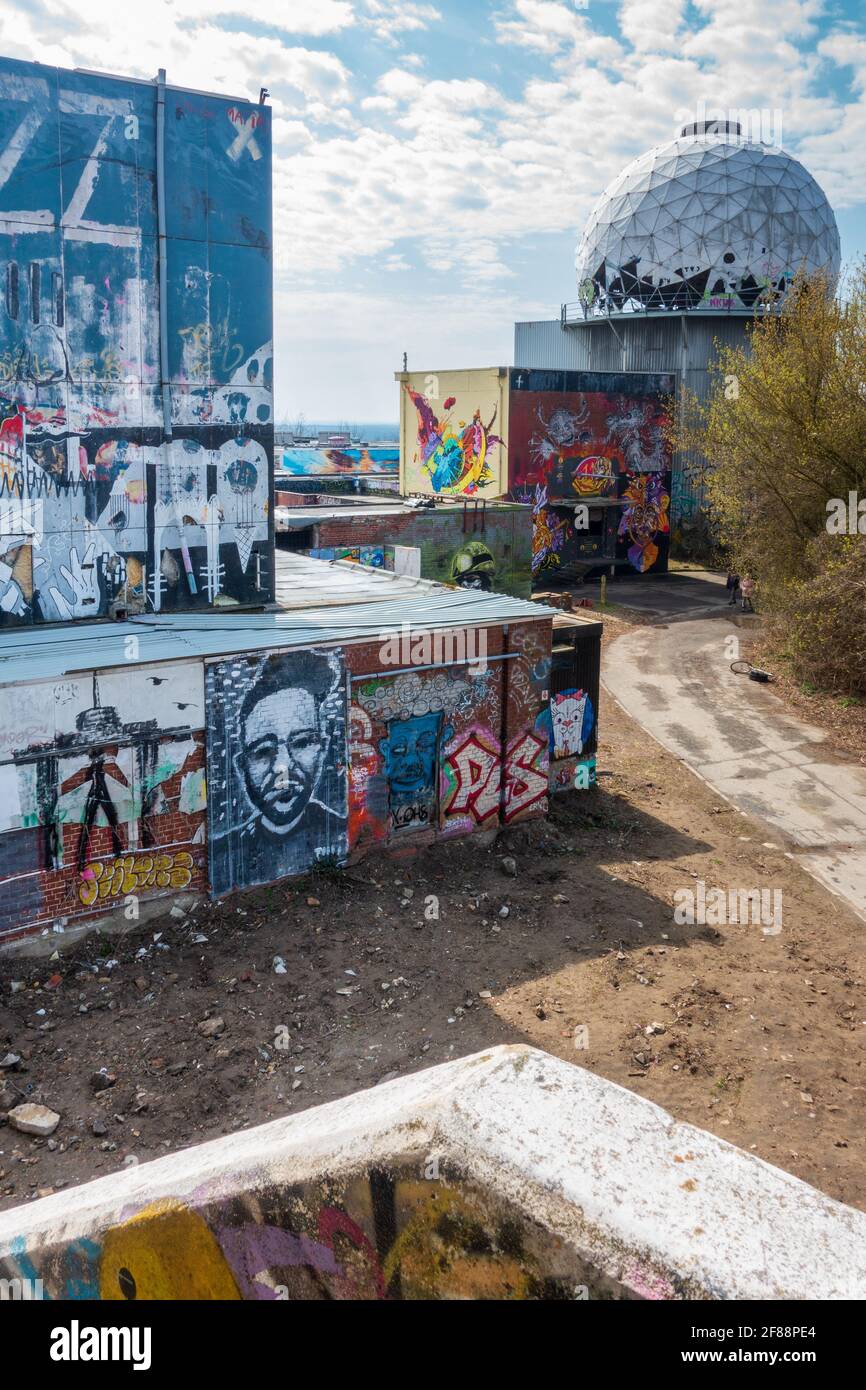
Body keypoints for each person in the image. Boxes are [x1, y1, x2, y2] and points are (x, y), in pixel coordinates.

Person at [209, 650, 347, 894]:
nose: (282, 766)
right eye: (263, 751)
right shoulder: (222, 854)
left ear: (322, 748)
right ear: (242, 767)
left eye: (302, 743)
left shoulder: (341, 832)